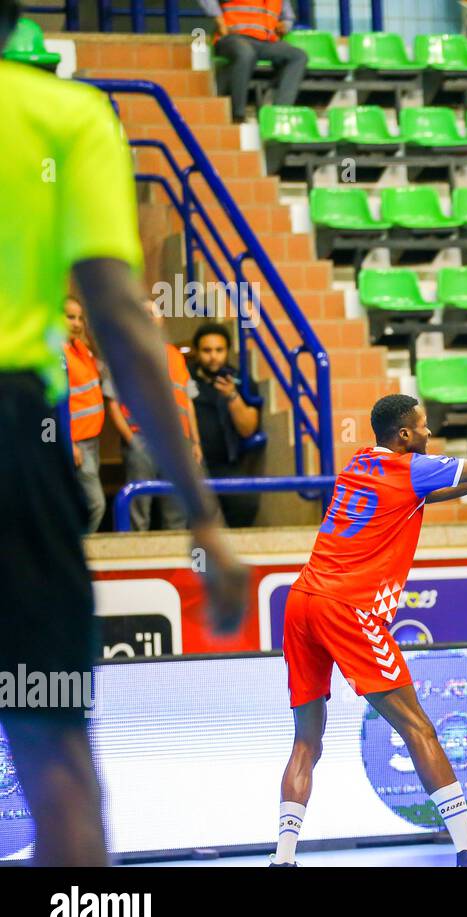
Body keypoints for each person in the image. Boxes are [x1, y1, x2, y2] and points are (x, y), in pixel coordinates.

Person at [0, 0, 247, 866]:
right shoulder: (67, 117)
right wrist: (204, 516)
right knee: (54, 748)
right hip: (12, 440)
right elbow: (125, 320)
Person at [274, 394, 467, 868]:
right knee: (420, 729)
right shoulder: (410, 471)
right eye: (422, 427)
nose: (429, 434)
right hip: (348, 609)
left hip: (301, 601)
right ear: (404, 436)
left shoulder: (360, 464)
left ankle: (284, 859)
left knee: (306, 742)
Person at [106, 299, 204, 531]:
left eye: (153, 313)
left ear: (161, 319)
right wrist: (132, 440)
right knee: (139, 506)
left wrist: (195, 442)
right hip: (143, 440)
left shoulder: (175, 356)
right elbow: (112, 403)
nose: (149, 317)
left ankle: (174, 562)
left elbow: (187, 402)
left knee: (177, 507)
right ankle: (134, 560)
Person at [191, 322, 262, 528]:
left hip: (226, 465)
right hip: (190, 464)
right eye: (207, 350)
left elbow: (248, 428)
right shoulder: (184, 378)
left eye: (219, 350)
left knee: (246, 503)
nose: (213, 356)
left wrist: (232, 396)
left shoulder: (241, 382)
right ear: (196, 352)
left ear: (227, 351)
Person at [199, 0, 307, 122]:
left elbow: (288, 16)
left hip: (266, 41)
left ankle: (279, 113)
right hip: (233, 37)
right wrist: (219, 20)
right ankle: (238, 114)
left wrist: (285, 25)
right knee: (246, 54)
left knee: (298, 56)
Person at [63, 295, 106, 533]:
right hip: (76, 443)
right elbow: (51, 405)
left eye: (81, 318)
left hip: (92, 440)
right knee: (95, 503)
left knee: (81, 502)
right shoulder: (57, 355)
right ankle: (75, 553)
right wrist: (68, 442)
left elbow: (105, 368)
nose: (77, 323)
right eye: (70, 317)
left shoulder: (80, 348)